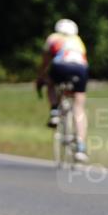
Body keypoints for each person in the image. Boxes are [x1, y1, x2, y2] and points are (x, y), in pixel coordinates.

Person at [36, 18, 89, 162]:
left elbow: (45, 61)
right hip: (80, 68)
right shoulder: (78, 41)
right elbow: (84, 60)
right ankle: (81, 146)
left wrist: (41, 77)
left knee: (50, 83)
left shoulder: (53, 38)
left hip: (60, 66)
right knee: (79, 106)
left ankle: (54, 110)